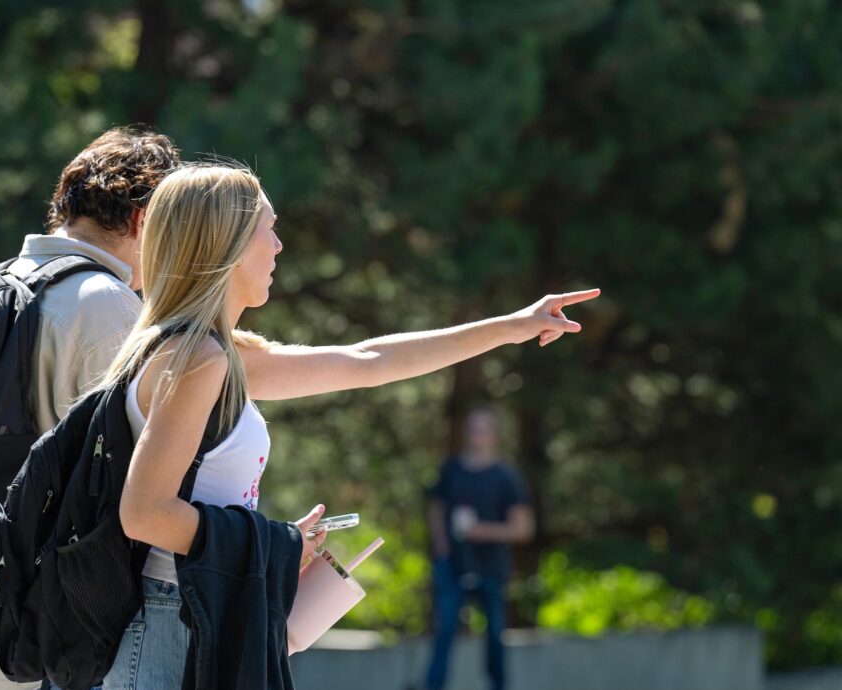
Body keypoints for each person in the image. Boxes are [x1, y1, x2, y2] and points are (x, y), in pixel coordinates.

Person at [98, 162, 598, 689]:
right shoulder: (198, 359)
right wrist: (276, 543)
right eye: (268, 228)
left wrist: (513, 325)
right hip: (175, 618)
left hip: (199, 612)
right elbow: (146, 514)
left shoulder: (213, 353)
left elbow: (368, 359)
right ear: (228, 245)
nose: (279, 245)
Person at [0, 126, 180, 690]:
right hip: (56, 617)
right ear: (143, 220)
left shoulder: (3, 281)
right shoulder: (106, 304)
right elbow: (138, 481)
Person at [424, 408, 536, 690]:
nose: (477, 435)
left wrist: (479, 530)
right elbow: (436, 507)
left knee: (495, 634)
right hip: (452, 565)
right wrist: (442, 546)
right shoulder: (451, 469)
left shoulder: (506, 477)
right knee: (445, 630)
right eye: (473, 428)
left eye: (484, 429)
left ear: (495, 435)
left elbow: (523, 528)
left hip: (492, 568)